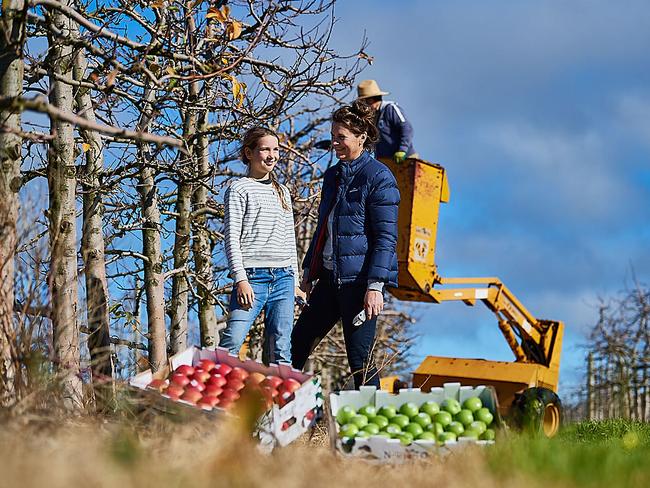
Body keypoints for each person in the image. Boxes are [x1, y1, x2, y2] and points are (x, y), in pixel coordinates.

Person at [290, 100, 400, 388]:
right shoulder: (333, 176)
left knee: (359, 360)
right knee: (296, 344)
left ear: (361, 137)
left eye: (341, 137)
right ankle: (278, 418)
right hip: (328, 280)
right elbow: (323, 228)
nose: (335, 143)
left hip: (359, 285)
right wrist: (308, 274)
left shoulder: (379, 177)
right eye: (333, 136)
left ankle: (371, 428)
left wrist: (375, 287)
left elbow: (386, 237)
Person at [219, 127, 302, 364]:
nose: (271, 155)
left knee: (282, 345)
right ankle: (214, 392)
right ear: (249, 152)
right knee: (233, 340)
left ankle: (281, 399)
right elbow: (231, 237)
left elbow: (289, 240)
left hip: (284, 278)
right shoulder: (239, 188)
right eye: (265, 149)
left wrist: (295, 282)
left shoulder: (282, 192)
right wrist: (240, 279)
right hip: (252, 278)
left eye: (275, 149)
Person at [356, 79, 417, 164]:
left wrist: (402, 150)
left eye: (365, 101)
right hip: (386, 162)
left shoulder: (390, 109)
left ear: (371, 100)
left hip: (406, 160)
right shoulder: (371, 117)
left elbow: (407, 128)